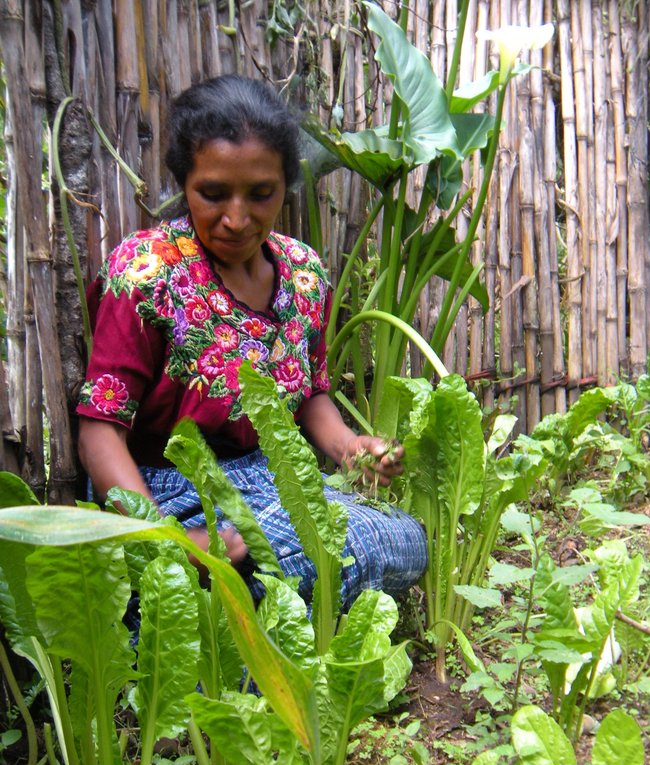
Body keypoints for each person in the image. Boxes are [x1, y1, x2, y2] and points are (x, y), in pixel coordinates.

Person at [77, 74, 427, 609]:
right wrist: (167, 541)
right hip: (167, 495)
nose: (237, 219)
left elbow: (309, 393)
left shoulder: (303, 273)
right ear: (184, 182)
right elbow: (99, 432)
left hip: (272, 483)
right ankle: (198, 607)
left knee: (402, 539)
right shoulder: (148, 272)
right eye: (213, 194)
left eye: (261, 194)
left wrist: (351, 449)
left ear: (285, 185)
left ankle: (236, 615)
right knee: (295, 553)